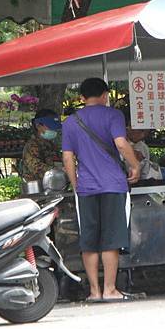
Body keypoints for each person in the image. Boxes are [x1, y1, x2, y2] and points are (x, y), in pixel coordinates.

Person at [62, 78, 141, 302]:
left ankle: (94, 292)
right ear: (105, 95)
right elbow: (121, 143)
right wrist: (135, 165)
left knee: (89, 240)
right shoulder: (113, 115)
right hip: (113, 185)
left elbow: (67, 157)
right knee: (111, 238)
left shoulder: (70, 122)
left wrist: (76, 184)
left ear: (82, 97)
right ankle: (110, 289)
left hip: (86, 188)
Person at [21, 109, 61, 182]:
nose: (54, 130)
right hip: (37, 187)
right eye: (50, 127)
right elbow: (36, 168)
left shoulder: (51, 145)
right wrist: (58, 171)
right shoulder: (32, 145)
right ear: (38, 126)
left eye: (55, 127)